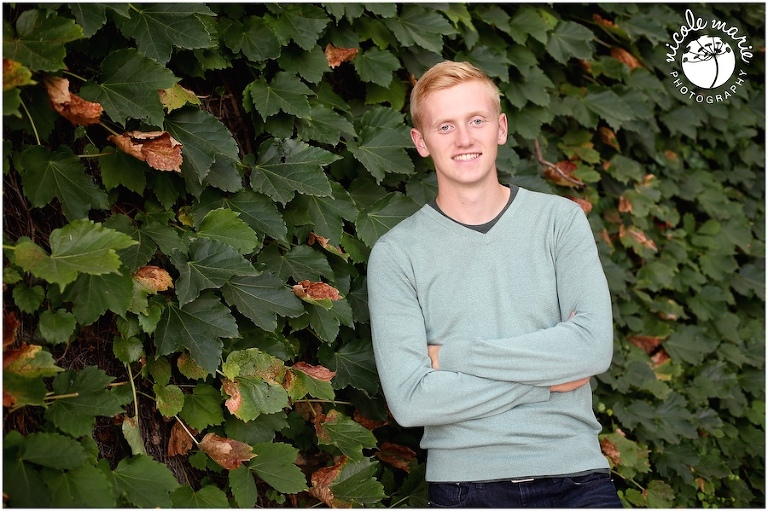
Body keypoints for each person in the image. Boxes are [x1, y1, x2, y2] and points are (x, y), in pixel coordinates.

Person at [366, 61, 622, 508]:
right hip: (466, 487)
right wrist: (546, 379)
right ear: (421, 142)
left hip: (577, 478)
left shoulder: (560, 222)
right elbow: (411, 401)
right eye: (445, 126)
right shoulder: (396, 254)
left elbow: (591, 349)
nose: (464, 139)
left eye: (476, 120)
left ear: (500, 128)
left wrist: (451, 357)